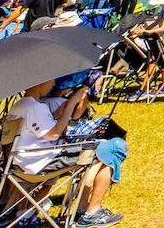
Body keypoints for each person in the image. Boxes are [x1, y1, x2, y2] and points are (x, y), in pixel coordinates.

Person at [11, 76, 125, 226]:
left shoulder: (20, 105)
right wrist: (71, 103)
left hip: (21, 162)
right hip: (40, 164)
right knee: (112, 147)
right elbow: (54, 134)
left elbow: (43, 129)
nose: (53, 84)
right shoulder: (35, 107)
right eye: (51, 80)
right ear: (39, 82)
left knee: (99, 149)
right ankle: (91, 212)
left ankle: (83, 207)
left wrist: (59, 115)